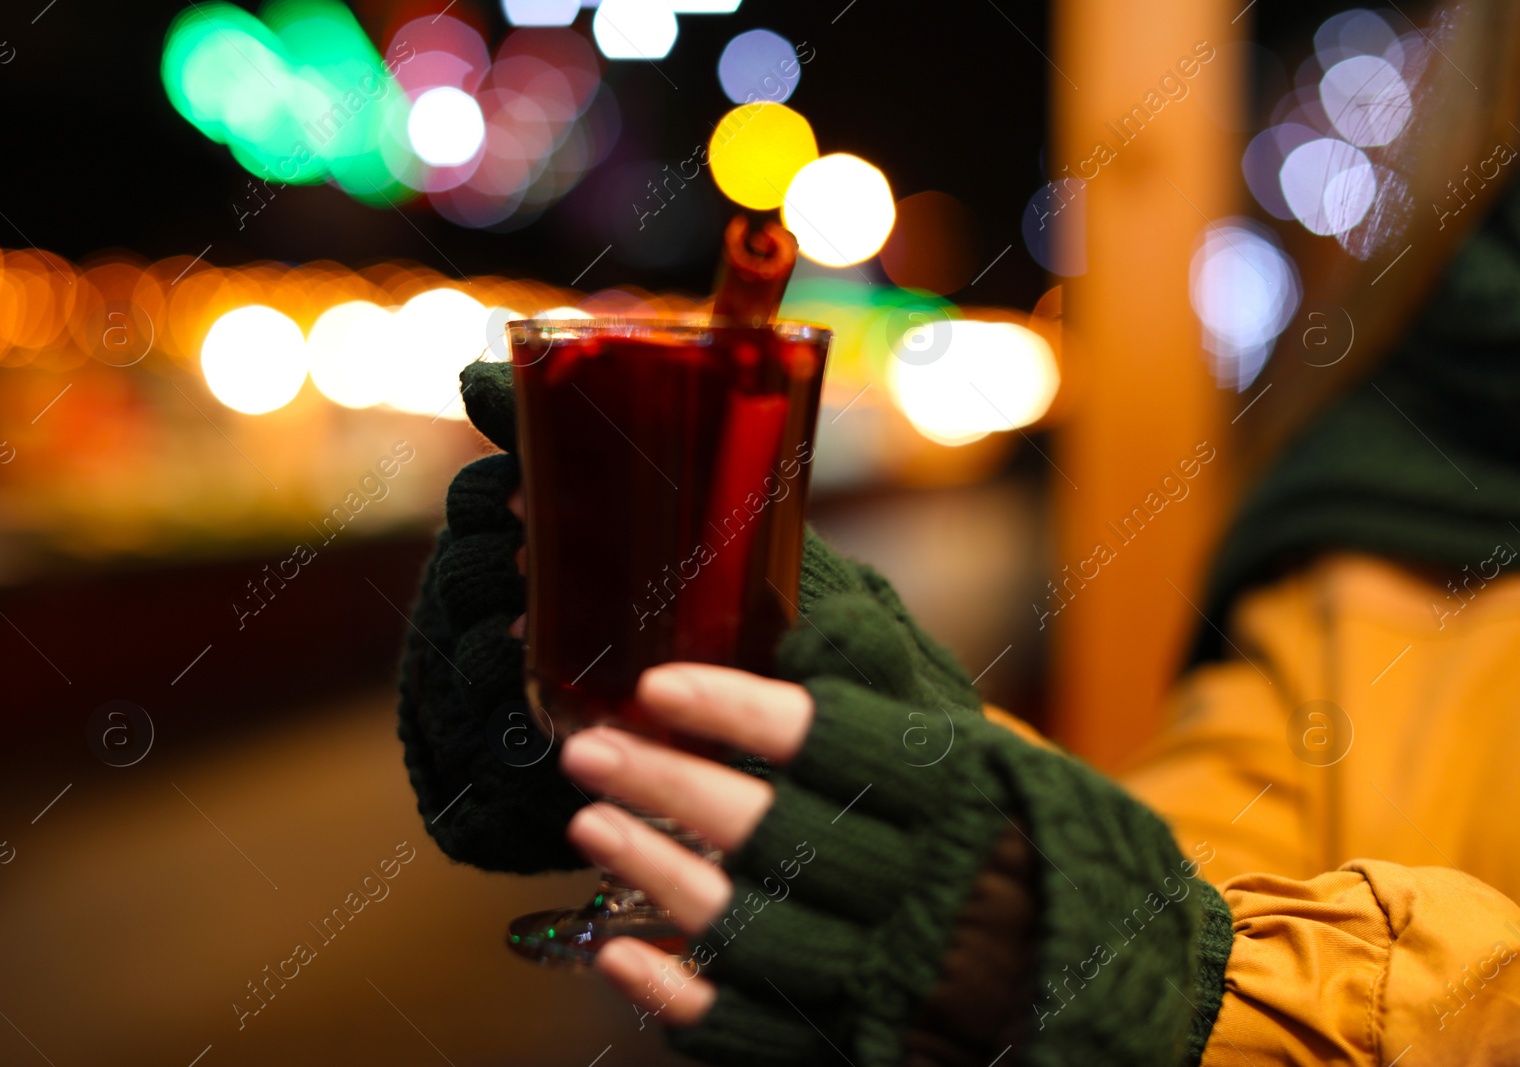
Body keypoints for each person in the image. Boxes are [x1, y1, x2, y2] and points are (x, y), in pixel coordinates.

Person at [397, 9, 1520, 1064]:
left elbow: (1175, 953)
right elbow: (1207, 868)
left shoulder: (1398, 439)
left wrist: (1152, 981)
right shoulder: (1398, 472)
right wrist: (910, 777)